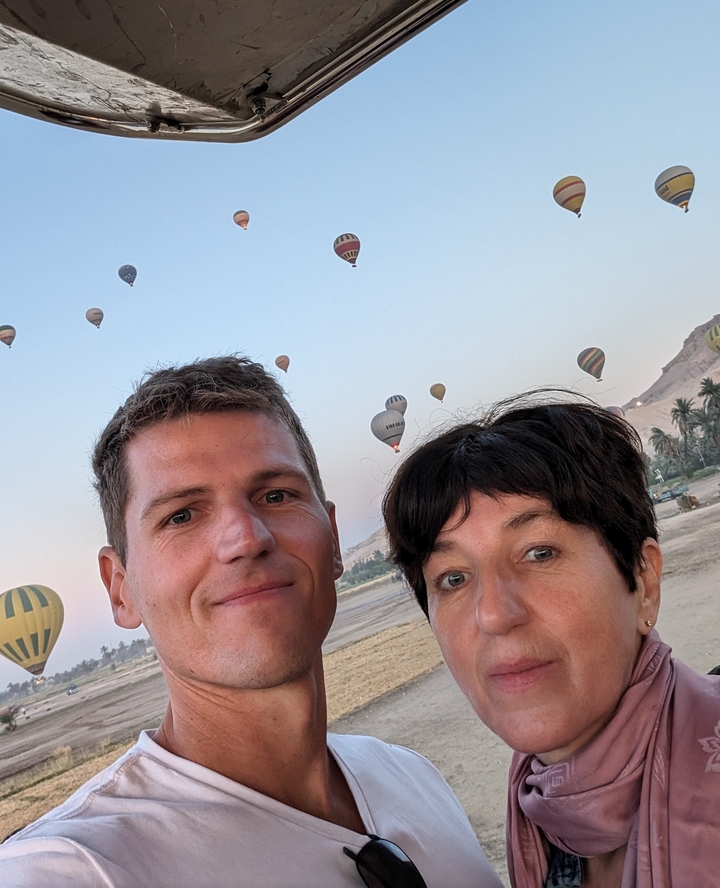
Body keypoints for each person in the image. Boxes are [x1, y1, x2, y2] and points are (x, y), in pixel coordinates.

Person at [0, 356, 501, 888]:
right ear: (121, 589)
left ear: (333, 540)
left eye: (276, 495)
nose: (246, 538)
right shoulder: (74, 868)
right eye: (181, 515)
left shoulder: (410, 775)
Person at [382, 394, 720, 888]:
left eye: (539, 553)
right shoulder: (543, 828)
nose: (494, 614)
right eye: (453, 579)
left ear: (644, 581)